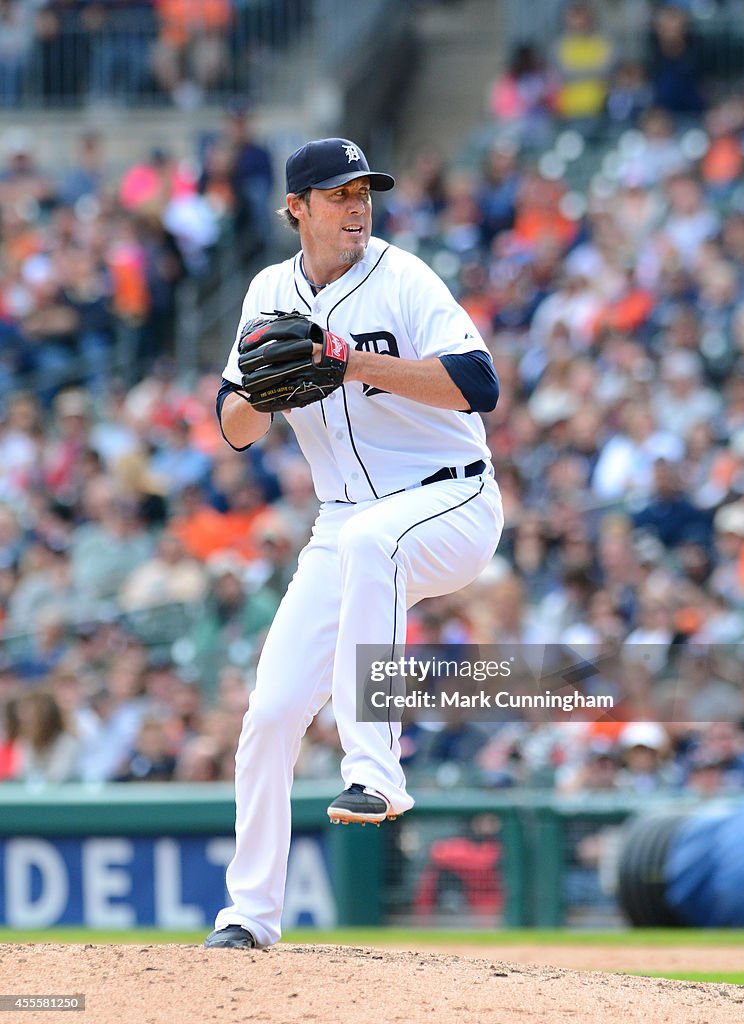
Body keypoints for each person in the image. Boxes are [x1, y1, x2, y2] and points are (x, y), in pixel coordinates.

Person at [204, 137, 503, 949]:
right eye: (338, 195)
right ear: (295, 208)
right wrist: (263, 393)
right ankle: (249, 916)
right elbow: (231, 424)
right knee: (268, 716)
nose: (357, 206)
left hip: (453, 498)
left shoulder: (403, 277)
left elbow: (482, 383)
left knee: (377, 542)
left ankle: (375, 772)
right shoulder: (269, 290)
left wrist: (351, 364)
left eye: (364, 191)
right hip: (343, 522)